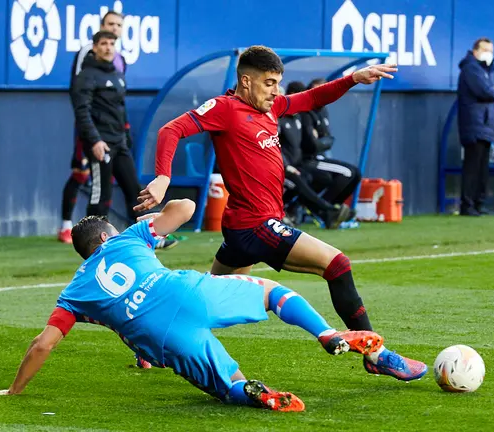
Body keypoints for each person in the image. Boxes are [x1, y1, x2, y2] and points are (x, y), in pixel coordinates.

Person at [135, 46, 427, 380]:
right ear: (246, 81)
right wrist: (163, 177)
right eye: (269, 83)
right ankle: (377, 354)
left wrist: (352, 79)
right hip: (257, 225)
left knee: (205, 300)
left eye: (278, 83)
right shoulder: (225, 108)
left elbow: (314, 98)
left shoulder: (272, 107)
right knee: (337, 264)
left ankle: (150, 345)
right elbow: (171, 130)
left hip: (242, 231)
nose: (276, 91)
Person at [0, 198, 393, 412]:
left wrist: (14, 390)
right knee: (271, 292)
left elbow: (45, 343)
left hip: (162, 337)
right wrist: (155, 216)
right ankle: (326, 333)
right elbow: (186, 209)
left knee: (227, 386)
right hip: (188, 291)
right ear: (108, 235)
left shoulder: (76, 292)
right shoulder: (129, 237)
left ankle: (251, 392)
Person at [70, 31, 177, 250]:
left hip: (119, 143)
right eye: (103, 44)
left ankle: (151, 237)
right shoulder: (86, 76)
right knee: (101, 195)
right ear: (95, 47)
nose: (108, 47)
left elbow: (121, 111)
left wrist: (126, 139)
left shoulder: (118, 75)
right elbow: (82, 112)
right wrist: (95, 141)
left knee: (135, 192)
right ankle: (93, 245)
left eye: (112, 43)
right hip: (101, 144)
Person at [58, 11, 126, 244]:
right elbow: (80, 95)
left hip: (114, 134)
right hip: (91, 132)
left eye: (118, 25)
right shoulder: (87, 55)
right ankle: (68, 226)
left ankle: (145, 237)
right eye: (110, 24)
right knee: (81, 172)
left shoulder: (119, 59)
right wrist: (89, 136)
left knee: (121, 183)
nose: (114, 28)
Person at [279, 81, 351, 228]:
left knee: (321, 177)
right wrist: (286, 166)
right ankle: (327, 210)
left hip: (297, 164)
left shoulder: (298, 117)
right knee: (299, 180)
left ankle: (295, 209)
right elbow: (274, 146)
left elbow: (316, 141)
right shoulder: (277, 120)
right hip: (283, 168)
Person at [456, 38, 494, 216]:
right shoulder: (471, 69)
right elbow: (486, 92)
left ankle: (478, 203)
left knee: (482, 169)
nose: (489, 54)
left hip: (485, 125)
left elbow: (486, 101)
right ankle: (467, 205)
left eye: (491, 50)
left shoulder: (484, 71)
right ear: (475, 51)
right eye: (485, 50)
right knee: (472, 167)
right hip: (474, 126)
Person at [298, 78, 361, 210]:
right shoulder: (305, 112)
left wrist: (322, 140)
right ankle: (323, 209)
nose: (322, 95)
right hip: (308, 160)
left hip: (319, 157)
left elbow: (329, 139)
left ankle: (333, 207)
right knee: (347, 173)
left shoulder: (323, 110)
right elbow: (311, 145)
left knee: (356, 173)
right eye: (318, 91)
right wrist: (323, 140)